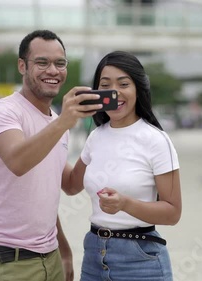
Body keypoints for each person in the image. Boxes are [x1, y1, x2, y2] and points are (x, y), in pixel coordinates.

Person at [0, 30, 104, 281]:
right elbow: (18, 162)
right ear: (22, 65)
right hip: (6, 259)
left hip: (49, 257)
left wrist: (99, 140)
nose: (53, 70)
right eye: (42, 62)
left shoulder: (55, 122)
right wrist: (64, 122)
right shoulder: (5, 112)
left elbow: (70, 185)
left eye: (60, 63)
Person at [63, 51, 182, 281]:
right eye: (106, 85)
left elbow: (173, 212)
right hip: (93, 257)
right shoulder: (95, 137)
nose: (115, 92)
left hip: (140, 260)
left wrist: (125, 203)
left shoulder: (156, 140)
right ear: (98, 93)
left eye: (124, 84)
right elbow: (70, 185)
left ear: (138, 88)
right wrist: (56, 126)